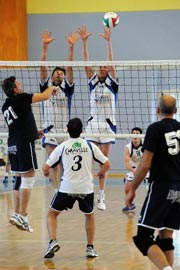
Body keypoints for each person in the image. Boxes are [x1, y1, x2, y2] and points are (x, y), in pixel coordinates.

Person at [42, 118, 110, 259]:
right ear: (82, 131)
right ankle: (90, 248)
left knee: (51, 214)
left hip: (67, 187)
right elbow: (107, 164)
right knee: (89, 215)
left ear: (67, 130)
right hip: (86, 188)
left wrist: (46, 173)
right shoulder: (90, 145)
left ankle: (53, 241)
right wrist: (100, 173)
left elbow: (46, 167)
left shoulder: (63, 146)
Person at [126, 94, 180, 270]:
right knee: (166, 235)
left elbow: (145, 164)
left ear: (158, 110)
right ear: (176, 111)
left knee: (143, 237)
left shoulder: (155, 129)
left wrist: (132, 189)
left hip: (162, 186)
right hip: (179, 186)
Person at [1, 75, 57, 232]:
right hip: (23, 143)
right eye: (19, 83)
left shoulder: (6, 105)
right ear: (15, 89)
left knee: (19, 179)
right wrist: (52, 87)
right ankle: (23, 215)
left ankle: (17, 214)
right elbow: (45, 96)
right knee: (29, 180)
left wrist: (34, 132)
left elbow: (20, 123)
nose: (22, 84)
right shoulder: (21, 98)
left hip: (13, 144)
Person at [77, 25, 118, 211]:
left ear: (107, 70)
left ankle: (101, 196)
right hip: (93, 125)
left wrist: (108, 41)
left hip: (108, 127)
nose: (102, 68)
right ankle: (89, 192)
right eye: (100, 67)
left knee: (104, 163)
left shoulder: (112, 83)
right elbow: (86, 64)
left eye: (104, 67)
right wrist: (84, 42)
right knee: (89, 162)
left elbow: (111, 61)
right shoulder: (93, 82)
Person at [40, 30, 79, 192]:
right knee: (54, 162)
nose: (59, 73)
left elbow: (69, 68)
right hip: (50, 130)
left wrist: (71, 48)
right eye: (57, 72)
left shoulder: (67, 88)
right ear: (52, 75)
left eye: (61, 73)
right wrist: (44, 47)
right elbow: (42, 67)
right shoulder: (45, 86)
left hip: (64, 130)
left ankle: (65, 188)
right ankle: (57, 191)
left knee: (65, 163)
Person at [122, 127, 147, 212]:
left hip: (146, 167)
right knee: (128, 188)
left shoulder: (146, 144)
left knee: (152, 187)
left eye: (137, 133)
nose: (135, 135)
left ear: (140, 136)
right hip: (134, 168)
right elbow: (127, 163)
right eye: (133, 133)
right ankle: (130, 204)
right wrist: (134, 171)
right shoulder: (128, 147)